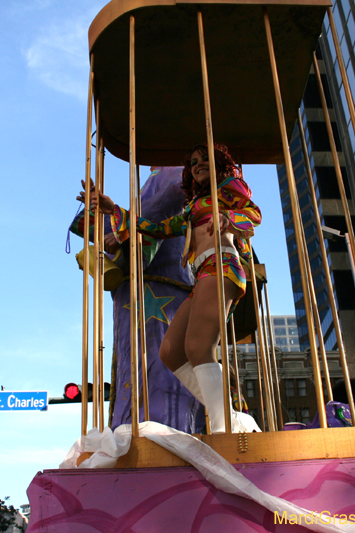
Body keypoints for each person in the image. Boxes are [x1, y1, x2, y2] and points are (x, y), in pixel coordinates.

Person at [78, 144, 261, 433]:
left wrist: (230, 220)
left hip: (221, 265)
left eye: (205, 160)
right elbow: (156, 227)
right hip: (201, 274)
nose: (199, 164)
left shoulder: (227, 187)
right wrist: (113, 210)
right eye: (194, 161)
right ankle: (225, 413)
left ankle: (223, 427)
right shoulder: (192, 207)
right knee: (170, 352)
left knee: (199, 348)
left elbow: (252, 214)